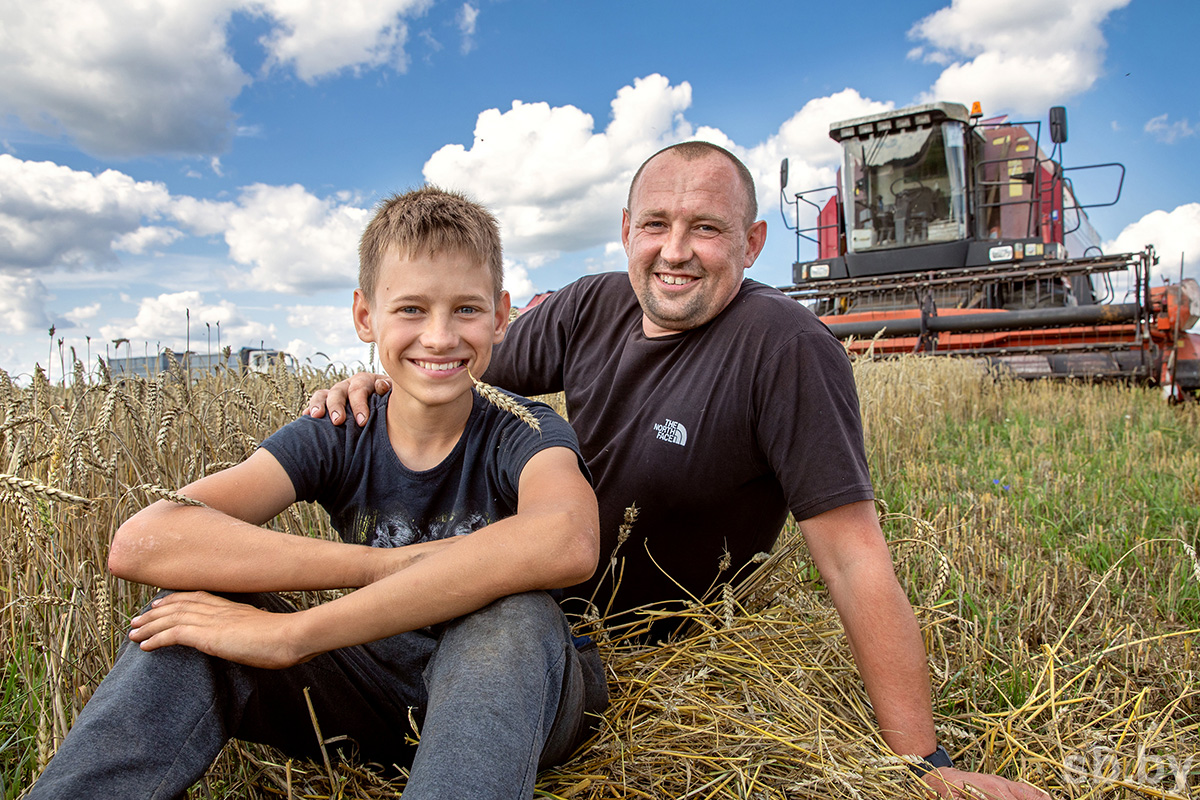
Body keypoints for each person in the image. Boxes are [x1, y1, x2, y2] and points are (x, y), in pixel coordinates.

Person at [308, 143, 1050, 800]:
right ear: (626, 229)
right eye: (656, 225)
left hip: (634, 641)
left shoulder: (785, 349)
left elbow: (854, 559)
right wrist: (368, 384)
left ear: (753, 242)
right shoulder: (589, 306)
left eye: (707, 228)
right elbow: (445, 351)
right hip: (520, 587)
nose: (676, 251)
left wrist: (923, 763)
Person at [29, 187, 606, 800]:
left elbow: (567, 539)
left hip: (523, 704)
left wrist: (291, 635)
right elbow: (144, 542)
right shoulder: (342, 429)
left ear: (500, 315)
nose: (438, 337)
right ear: (364, 316)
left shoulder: (524, 429)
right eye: (410, 309)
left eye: (466, 309)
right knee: (191, 614)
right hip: (374, 688)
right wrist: (384, 566)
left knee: (512, 614)